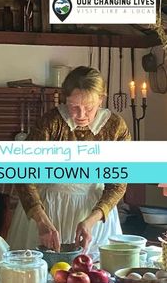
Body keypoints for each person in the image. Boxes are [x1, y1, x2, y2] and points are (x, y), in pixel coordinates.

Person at [7, 66, 131, 256]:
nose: (81, 115)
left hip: (94, 210)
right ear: (65, 99)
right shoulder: (50, 123)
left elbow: (118, 183)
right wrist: (41, 221)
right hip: (49, 207)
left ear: (101, 98)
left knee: (95, 271)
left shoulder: (115, 127)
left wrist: (90, 221)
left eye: (88, 107)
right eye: (73, 106)